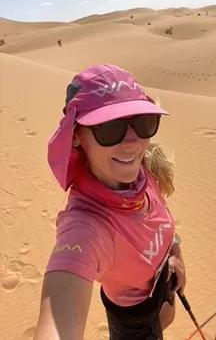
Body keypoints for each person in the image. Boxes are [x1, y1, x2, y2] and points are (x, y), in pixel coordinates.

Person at [34, 64, 186, 340]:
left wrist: (175, 251)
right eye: (108, 127)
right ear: (77, 136)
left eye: (141, 122)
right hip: (132, 323)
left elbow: (162, 215)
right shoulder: (87, 227)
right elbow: (57, 322)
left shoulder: (146, 171)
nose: (131, 142)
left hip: (162, 294)